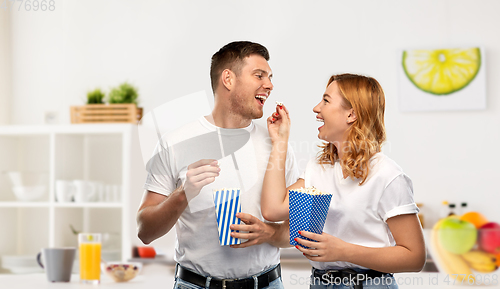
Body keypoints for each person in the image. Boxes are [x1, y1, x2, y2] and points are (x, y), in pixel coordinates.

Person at [137, 41, 300, 289]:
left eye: (270, 77)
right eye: (259, 75)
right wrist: (184, 193)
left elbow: (303, 228)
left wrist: (269, 233)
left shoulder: (277, 144)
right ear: (228, 79)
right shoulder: (176, 142)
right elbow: (145, 231)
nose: (269, 85)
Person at [261, 73, 426, 289]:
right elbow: (273, 210)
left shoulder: (387, 175)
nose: (316, 108)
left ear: (352, 114)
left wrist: (343, 251)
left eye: (326, 101)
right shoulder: (319, 168)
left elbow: (414, 257)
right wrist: (280, 141)